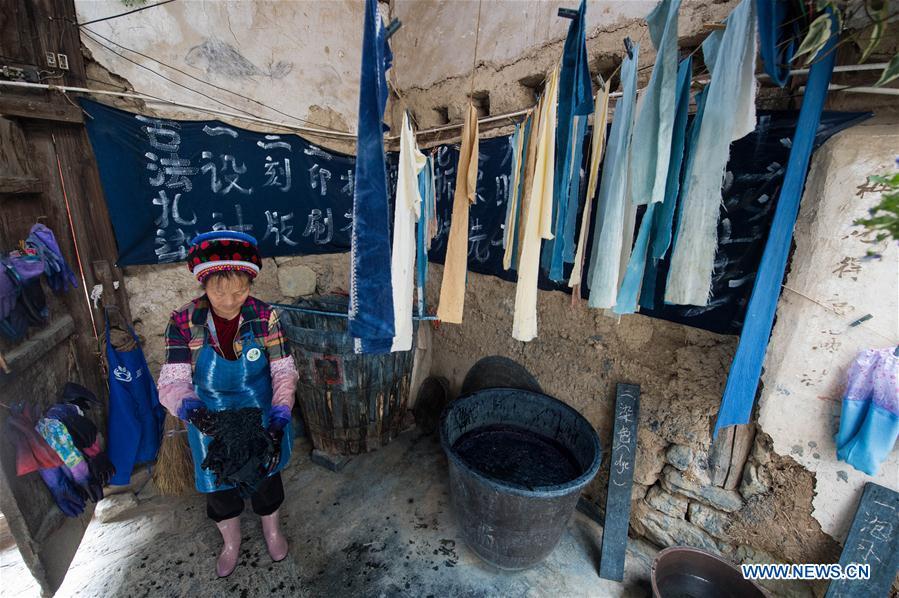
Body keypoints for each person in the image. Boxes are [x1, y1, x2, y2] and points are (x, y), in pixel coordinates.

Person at [156, 231, 298, 578]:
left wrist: (279, 416)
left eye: (240, 290)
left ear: (250, 284)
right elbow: (173, 382)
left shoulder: (266, 317)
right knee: (218, 486)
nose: (230, 299)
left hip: (261, 408)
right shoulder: (183, 321)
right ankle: (230, 543)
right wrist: (194, 412)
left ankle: (272, 530)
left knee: (266, 476)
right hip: (209, 416)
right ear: (204, 283)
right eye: (219, 290)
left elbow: (282, 372)